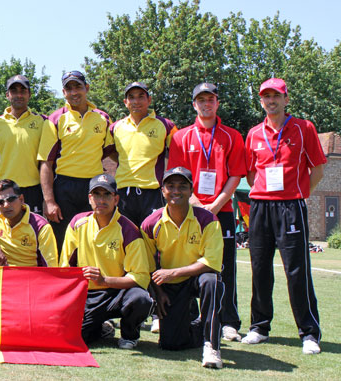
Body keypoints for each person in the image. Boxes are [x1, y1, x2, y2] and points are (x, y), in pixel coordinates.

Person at [242, 78, 325, 355]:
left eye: (276, 96)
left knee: (297, 271)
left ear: (286, 99)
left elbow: (318, 170)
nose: (271, 101)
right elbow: (252, 173)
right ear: (261, 101)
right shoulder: (254, 133)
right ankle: (259, 327)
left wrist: (300, 194)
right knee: (260, 269)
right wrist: (263, 192)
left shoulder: (304, 128)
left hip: (292, 206)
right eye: (266, 96)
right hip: (260, 207)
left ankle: (309, 333)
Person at [167, 82, 247, 341]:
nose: (206, 104)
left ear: (217, 103)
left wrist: (216, 203)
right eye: (201, 100)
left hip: (221, 210)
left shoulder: (232, 136)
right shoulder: (181, 137)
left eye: (210, 99)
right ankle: (190, 315)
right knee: (187, 261)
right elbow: (177, 178)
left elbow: (235, 174)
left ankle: (228, 321)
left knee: (224, 267)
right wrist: (197, 203)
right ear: (194, 104)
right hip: (190, 210)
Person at [140, 167, 223, 369]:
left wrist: (174, 272)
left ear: (191, 190)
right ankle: (200, 327)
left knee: (212, 281)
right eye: (171, 186)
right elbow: (148, 265)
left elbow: (212, 262)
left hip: (196, 277)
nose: (176, 191)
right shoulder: (151, 224)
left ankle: (212, 345)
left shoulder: (208, 220)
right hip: (169, 285)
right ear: (162, 190)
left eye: (182, 186)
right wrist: (158, 293)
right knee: (171, 344)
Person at [60, 174, 153, 349]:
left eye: (107, 195)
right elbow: (65, 268)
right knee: (73, 336)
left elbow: (140, 278)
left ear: (116, 199)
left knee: (141, 299)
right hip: (87, 295)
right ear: (89, 198)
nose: (101, 200)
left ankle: (129, 334)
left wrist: (104, 280)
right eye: (97, 195)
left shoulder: (129, 230)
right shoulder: (77, 223)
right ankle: (101, 328)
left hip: (118, 293)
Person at [38, 71, 112, 251]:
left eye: (78, 86)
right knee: (63, 242)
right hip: (64, 187)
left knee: (93, 238)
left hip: (94, 187)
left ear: (86, 88)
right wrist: (49, 201)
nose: (74, 92)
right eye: (69, 88)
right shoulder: (55, 119)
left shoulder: (103, 118)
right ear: (64, 93)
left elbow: (112, 154)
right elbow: (46, 162)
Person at [107, 82, 177, 228]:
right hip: (123, 193)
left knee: (152, 241)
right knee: (126, 242)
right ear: (125, 102)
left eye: (141, 97)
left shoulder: (166, 125)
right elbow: (112, 153)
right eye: (131, 97)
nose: (136, 101)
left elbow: (178, 156)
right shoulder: (115, 128)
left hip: (152, 193)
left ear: (149, 100)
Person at [0, 75, 49, 214]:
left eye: (23, 91)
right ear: (7, 95)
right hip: (3, 189)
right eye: (14, 91)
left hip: (33, 189)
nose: (19, 95)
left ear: (29, 94)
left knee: (32, 233)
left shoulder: (43, 122)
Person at [0, 179, 57, 267]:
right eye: (0, 202)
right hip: (4, 275)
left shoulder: (40, 226)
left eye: (11, 199)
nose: (6, 205)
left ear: (21, 199)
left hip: (30, 278)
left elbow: (51, 268)